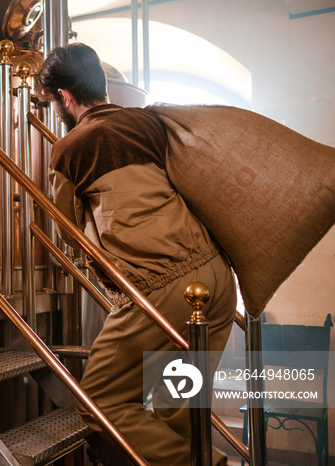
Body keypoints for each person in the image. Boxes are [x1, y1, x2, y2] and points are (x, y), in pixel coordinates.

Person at [36, 43, 237, 466]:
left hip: (160, 286)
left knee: (99, 405)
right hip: (217, 280)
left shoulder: (70, 149)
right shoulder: (152, 124)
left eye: (51, 101)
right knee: (179, 412)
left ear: (65, 98)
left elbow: (68, 235)